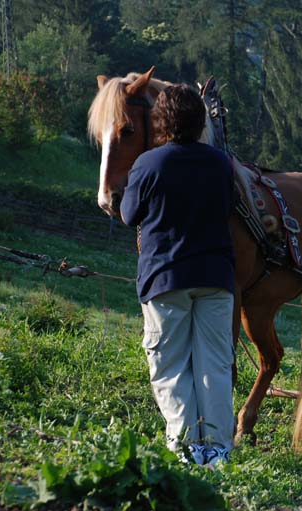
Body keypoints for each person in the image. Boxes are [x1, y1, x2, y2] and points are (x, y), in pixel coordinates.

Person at [120, 84, 235, 467]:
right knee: (214, 365)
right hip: (216, 278)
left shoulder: (149, 164)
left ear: (160, 122)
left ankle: (185, 451)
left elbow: (128, 215)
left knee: (170, 366)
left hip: (165, 279)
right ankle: (217, 452)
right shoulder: (221, 163)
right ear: (200, 121)